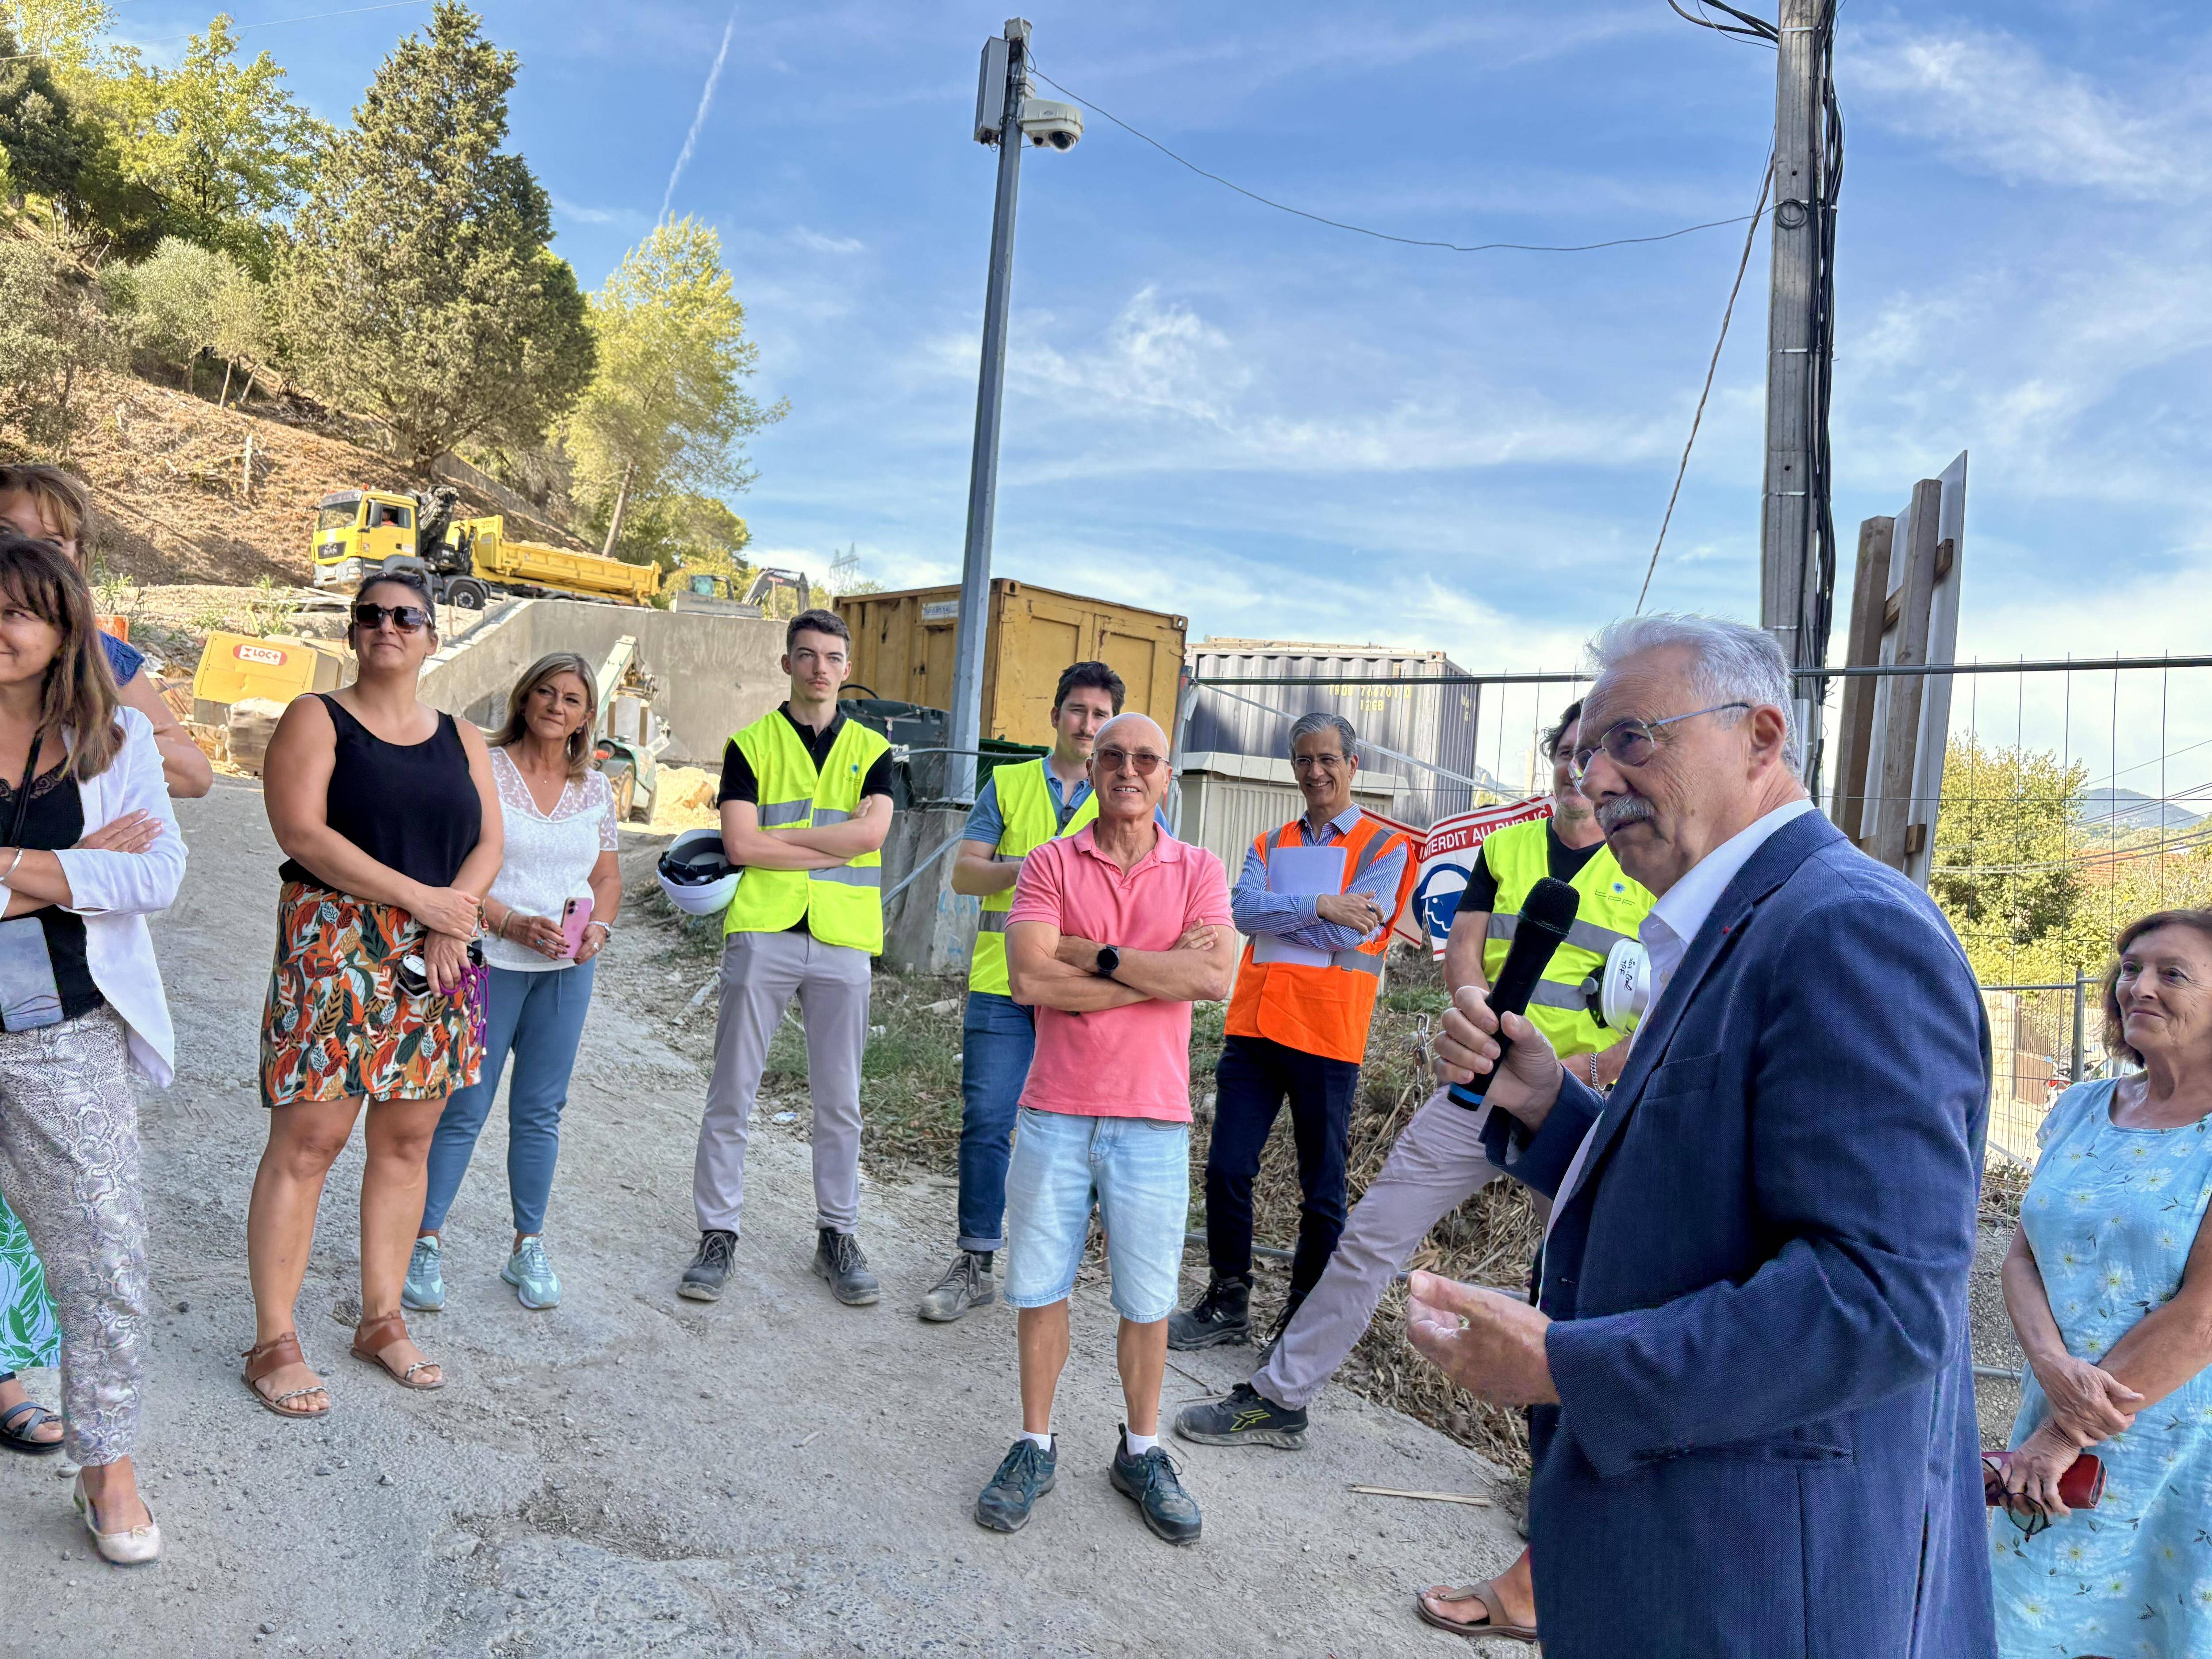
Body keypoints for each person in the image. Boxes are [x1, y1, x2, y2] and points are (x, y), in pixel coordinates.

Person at [1417, 614, 1993, 1659]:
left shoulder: (1845, 928)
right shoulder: (1738, 920)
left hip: (1768, 1589)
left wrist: (1568, 1365)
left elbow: (1880, 1303)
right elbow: (1709, 1188)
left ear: (1761, 736)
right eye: (1589, 750)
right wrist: (1548, 1107)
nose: (1596, 779)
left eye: (1633, 738)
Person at [1173, 701, 1652, 1644]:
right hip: (1477, 1093)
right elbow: (1463, 951)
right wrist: (1474, 1018)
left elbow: (1664, 1005)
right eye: (1564, 751)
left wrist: (1583, 1073)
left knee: (1580, 1295)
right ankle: (1280, 1400)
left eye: (1591, 753)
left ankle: (1556, 1481)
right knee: (1369, 1241)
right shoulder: (1509, 851)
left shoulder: (1648, 865)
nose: (1575, 768)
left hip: (1587, 1107)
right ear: (1550, 760)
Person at [971, 713, 1235, 1545]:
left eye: (1145, 760)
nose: (1127, 770)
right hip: (1055, 1108)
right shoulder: (1051, 860)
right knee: (1041, 1283)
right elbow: (1026, 977)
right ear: (1094, 765)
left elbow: (1215, 975)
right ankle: (1034, 1442)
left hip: (1153, 1118)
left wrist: (1100, 956)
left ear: (1167, 779)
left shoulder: (1199, 868)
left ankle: (1142, 1451)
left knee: (1148, 1299)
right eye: (1112, 756)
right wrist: (1161, 979)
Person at [248, 568, 500, 1417]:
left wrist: (453, 918)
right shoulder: (317, 718)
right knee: (312, 1139)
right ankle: (274, 1340)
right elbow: (302, 833)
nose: (387, 626)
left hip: (440, 950)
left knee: (407, 1141)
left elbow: (489, 842)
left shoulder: (463, 738)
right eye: (371, 616)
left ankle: (381, 1318)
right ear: (353, 634)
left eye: (406, 616)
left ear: (432, 635)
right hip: (335, 942)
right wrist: (419, 900)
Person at [0, 466, 206, 1459]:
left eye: (48, 551)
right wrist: (75, 867)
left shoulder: (112, 726)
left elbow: (161, 863)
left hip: (61, 1022)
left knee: (105, 1247)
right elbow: (114, 871)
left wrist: (24, 869)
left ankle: (107, 1461)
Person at [1991, 909, 2212, 1659]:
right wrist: (2054, 1374)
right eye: (2130, 968)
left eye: (2171, 973)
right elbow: (2021, 1257)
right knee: (2019, 1626)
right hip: (2049, 1432)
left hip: (2177, 1452)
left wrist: (2067, 1431)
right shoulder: (2082, 1108)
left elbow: (2204, 1319)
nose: (2138, 987)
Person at [919, 659, 1164, 1323]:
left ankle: (1053, 1264)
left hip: (1084, 992)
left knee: (1078, 1132)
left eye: (1101, 716)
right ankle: (975, 1258)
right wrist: (1040, 866)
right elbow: (965, 877)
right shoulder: (1009, 784)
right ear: (1055, 715)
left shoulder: (1132, 788)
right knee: (990, 1121)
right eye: (1078, 711)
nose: (1088, 725)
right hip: (1005, 985)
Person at [1170, 710, 1417, 1349]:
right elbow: (1241, 909)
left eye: (1328, 759)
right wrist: (1316, 903)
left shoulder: (1386, 849)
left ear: (1352, 765)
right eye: (1304, 760)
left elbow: (1350, 930)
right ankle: (1229, 1300)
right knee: (1226, 1168)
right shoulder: (1267, 843)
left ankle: (1300, 1323)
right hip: (1254, 1029)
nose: (1315, 772)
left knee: (1322, 1191)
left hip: (1328, 1034)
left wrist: (1302, 915)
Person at [682, 608, 895, 1307]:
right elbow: (741, 845)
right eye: (806, 655)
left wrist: (793, 841)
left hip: (843, 938)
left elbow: (873, 838)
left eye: (832, 657)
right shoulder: (751, 744)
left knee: (841, 1100)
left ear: (847, 667)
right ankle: (718, 1232)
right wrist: (832, 838)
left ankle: (838, 1233)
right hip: (764, 930)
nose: (819, 668)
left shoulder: (875, 749)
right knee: (733, 1090)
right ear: (787, 664)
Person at [407, 653, 621, 1315]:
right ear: (525, 700)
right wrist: (506, 922)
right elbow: (458, 863)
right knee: (464, 1107)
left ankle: (527, 1244)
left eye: (573, 699)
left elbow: (607, 879)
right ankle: (424, 1241)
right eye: (547, 693)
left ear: (587, 717)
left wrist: (600, 930)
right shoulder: (488, 771)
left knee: (540, 1112)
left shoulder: (598, 789)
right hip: (491, 961)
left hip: (565, 975)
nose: (558, 706)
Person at [0, 463, 213, 799]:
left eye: (52, 544)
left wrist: (88, 722)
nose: (27, 554)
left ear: (78, 563)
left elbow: (194, 777)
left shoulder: (101, 654)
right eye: (6, 533)